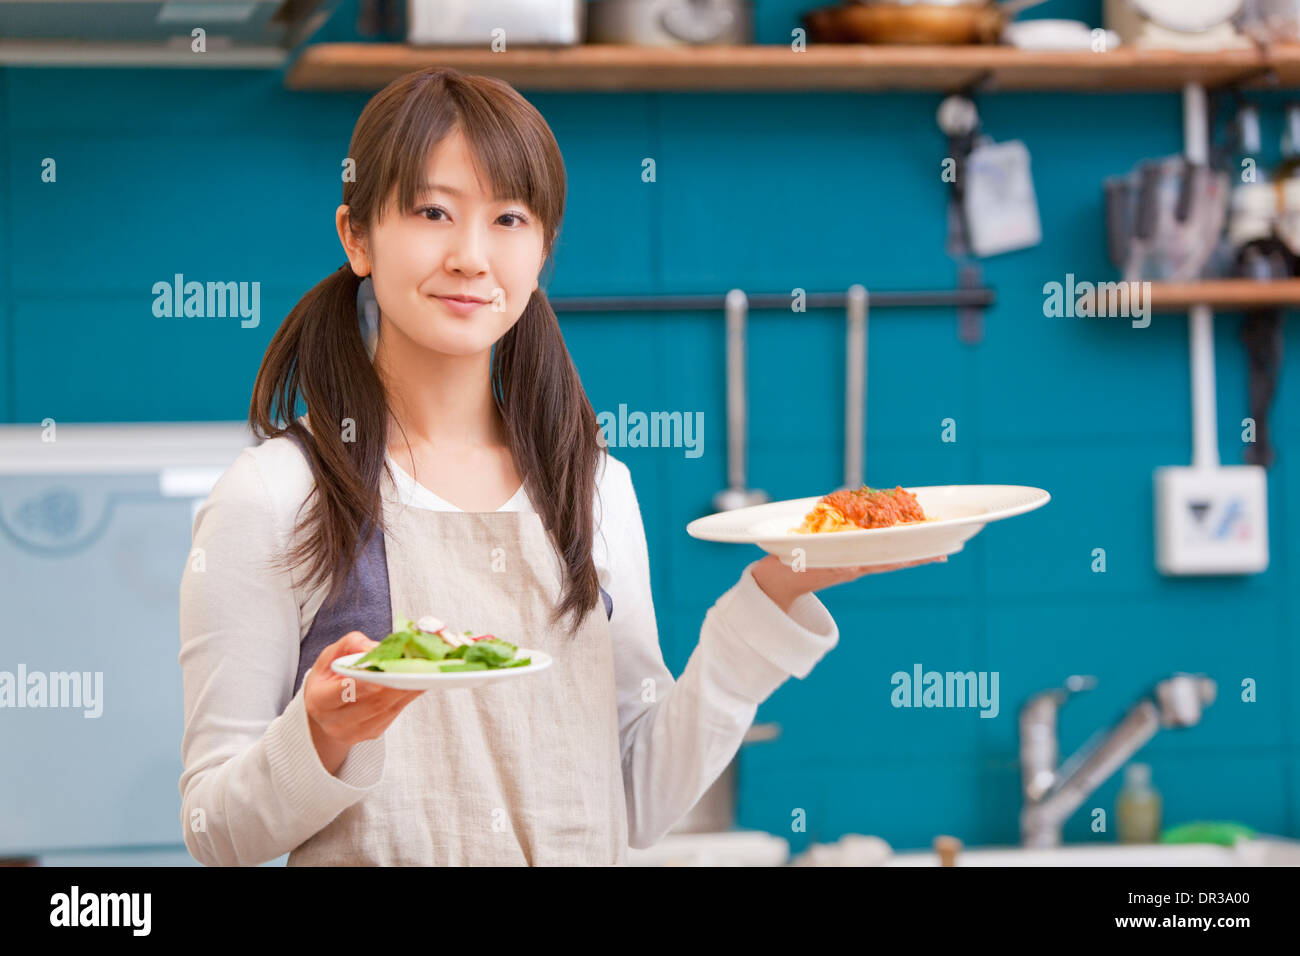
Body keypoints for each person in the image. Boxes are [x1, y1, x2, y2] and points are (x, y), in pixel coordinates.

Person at [177, 66, 943, 867]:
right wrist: (323, 733)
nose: (472, 257)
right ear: (357, 236)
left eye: (508, 218)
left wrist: (778, 591)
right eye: (433, 212)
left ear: (541, 250)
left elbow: (637, 798)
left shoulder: (594, 490)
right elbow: (214, 832)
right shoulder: (275, 495)